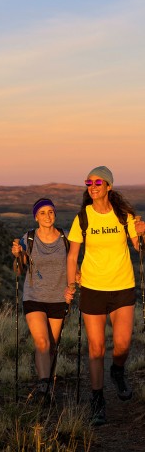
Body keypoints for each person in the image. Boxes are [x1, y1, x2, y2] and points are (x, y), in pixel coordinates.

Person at [64, 166, 145, 426]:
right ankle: (97, 399)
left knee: (122, 345)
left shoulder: (124, 215)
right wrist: (70, 283)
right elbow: (72, 255)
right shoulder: (83, 218)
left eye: (98, 182)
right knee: (96, 349)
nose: (93, 185)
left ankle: (118, 371)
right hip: (93, 288)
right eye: (89, 181)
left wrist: (142, 233)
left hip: (122, 286)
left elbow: (138, 246)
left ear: (108, 186)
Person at [12, 198, 76, 400]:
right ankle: (43, 388)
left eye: (50, 212)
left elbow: (74, 268)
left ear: (55, 214)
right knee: (42, 342)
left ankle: (48, 383)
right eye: (42, 213)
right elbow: (18, 270)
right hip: (34, 297)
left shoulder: (66, 238)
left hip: (58, 299)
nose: (47, 216)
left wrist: (74, 286)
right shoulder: (28, 238)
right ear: (36, 217)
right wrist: (18, 255)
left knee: (52, 346)